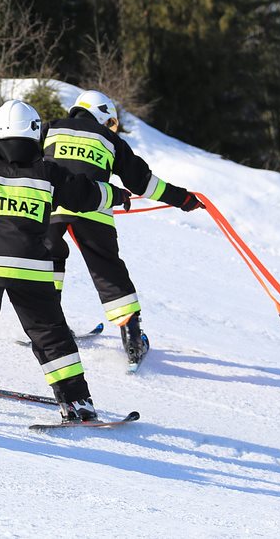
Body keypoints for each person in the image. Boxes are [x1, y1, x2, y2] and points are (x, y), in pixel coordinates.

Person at [0, 100, 131, 422]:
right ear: (37, 135)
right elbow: (87, 196)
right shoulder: (48, 173)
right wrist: (118, 195)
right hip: (31, 265)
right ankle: (76, 400)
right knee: (50, 332)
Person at [42, 90, 204, 369]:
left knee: (48, 261)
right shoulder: (110, 140)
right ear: (103, 113)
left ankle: (49, 327)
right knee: (108, 270)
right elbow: (143, 183)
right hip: (96, 208)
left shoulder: (50, 129)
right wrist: (183, 199)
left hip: (49, 207)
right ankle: (132, 339)